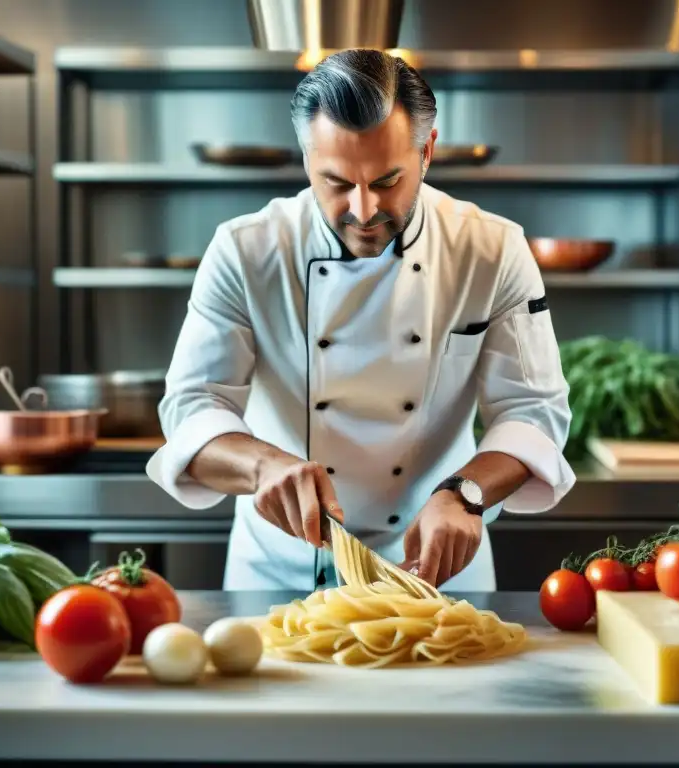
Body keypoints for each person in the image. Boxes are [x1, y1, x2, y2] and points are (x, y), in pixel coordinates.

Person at [146, 48, 575, 592]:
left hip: (439, 572)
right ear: (306, 159)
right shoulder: (246, 249)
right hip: (281, 575)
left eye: (388, 180)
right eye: (338, 183)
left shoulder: (491, 248)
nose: (365, 210)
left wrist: (466, 493)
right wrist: (263, 467)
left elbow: (533, 410)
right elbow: (191, 409)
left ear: (428, 152)